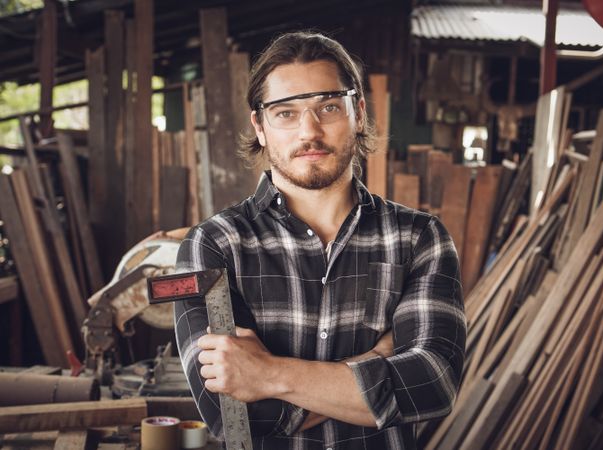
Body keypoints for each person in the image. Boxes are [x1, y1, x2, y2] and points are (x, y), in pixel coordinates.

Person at [174, 31, 466, 449]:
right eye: (285, 113)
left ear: (359, 113)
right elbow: (234, 416)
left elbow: (432, 385)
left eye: (328, 107)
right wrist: (378, 359)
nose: (309, 130)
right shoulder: (215, 245)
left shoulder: (419, 238)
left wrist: (268, 375)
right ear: (259, 125)